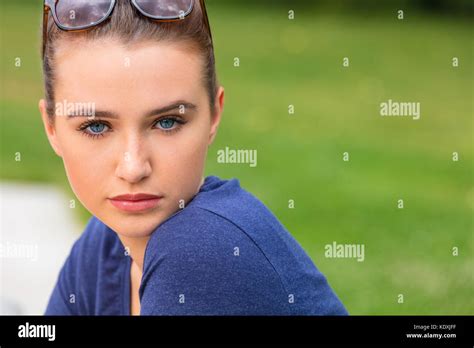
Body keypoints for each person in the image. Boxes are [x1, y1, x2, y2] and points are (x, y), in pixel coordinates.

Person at [40, 0, 348, 315]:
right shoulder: (103, 246)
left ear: (214, 114)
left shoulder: (201, 250)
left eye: (167, 122)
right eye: (96, 126)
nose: (133, 168)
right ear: (51, 127)